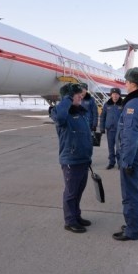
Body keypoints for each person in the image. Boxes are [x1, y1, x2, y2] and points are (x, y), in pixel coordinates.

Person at [113, 67, 138, 241]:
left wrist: (126, 162)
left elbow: (130, 136)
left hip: (133, 156)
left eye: (127, 82)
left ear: (133, 84)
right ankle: (137, 226)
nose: (125, 85)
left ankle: (132, 230)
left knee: (130, 195)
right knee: (134, 192)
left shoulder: (133, 105)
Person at [50, 83, 94, 234]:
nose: (81, 96)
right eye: (77, 95)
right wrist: (68, 98)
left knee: (79, 191)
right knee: (71, 192)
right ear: (68, 98)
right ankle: (69, 221)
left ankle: (76, 216)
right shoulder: (62, 114)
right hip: (71, 160)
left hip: (83, 159)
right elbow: (59, 115)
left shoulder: (81, 112)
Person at [99, 88, 124, 169]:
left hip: (120, 130)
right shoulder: (107, 104)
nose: (115, 96)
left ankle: (120, 163)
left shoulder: (123, 104)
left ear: (119, 95)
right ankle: (111, 162)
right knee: (110, 147)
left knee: (119, 147)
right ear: (111, 95)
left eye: (117, 94)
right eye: (113, 94)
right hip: (110, 129)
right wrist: (102, 127)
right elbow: (103, 116)